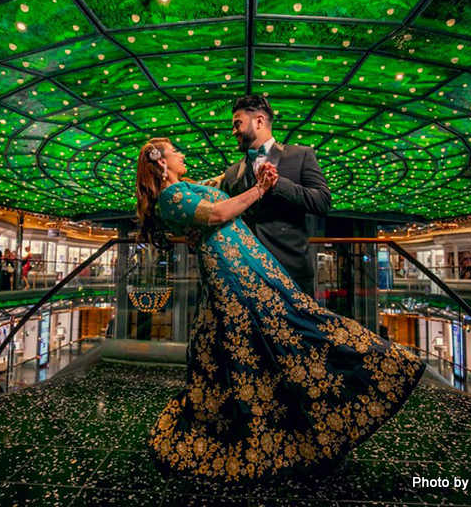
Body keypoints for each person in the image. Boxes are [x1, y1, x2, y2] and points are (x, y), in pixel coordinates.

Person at [135, 137, 425, 482]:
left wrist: (260, 171)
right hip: (233, 272)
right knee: (277, 332)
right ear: (161, 164)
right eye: (174, 151)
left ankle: (275, 423)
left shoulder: (187, 187)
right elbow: (219, 213)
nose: (182, 154)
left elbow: (221, 184)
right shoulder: (171, 197)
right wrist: (259, 189)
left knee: (251, 342)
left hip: (245, 266)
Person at [219, 95, 331, 295]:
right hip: (246, 275)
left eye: (238, 124)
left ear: (259, 121)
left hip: (291, 273)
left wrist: (278, 184)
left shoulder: (301, 155)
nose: (234, 131)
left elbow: (322, 202)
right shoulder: (231, 172)